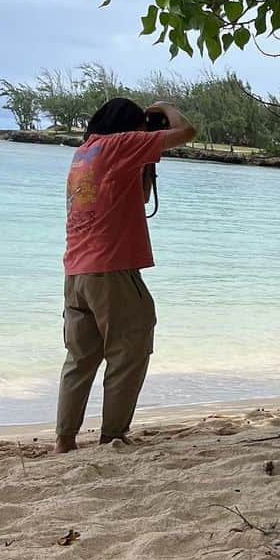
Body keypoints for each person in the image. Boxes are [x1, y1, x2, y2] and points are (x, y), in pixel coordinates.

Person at [55, 98, 196, 454]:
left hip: (76, 272)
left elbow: (139, 196)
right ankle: (112, 435)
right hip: (111, 269)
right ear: (130, 127)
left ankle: (64, 440)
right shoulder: (121, 145)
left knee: (80, 358)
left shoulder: (85, 152)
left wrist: (146, 163)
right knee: (130, 349)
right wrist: (166, 108)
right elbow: (187, 133)